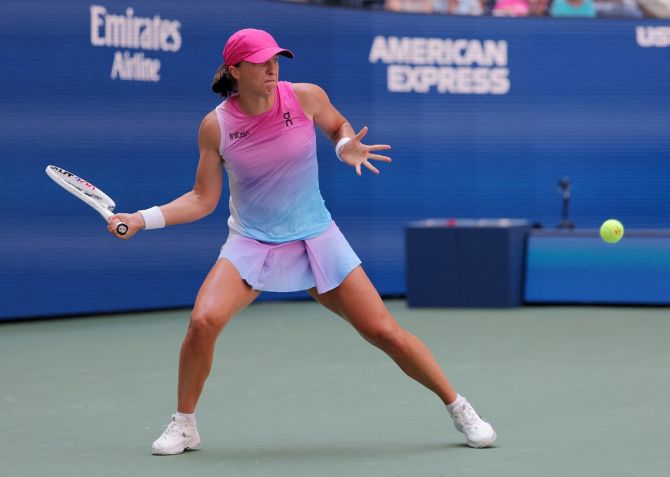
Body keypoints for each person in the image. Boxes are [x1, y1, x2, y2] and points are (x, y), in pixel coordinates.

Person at [108, 28, 497, 455]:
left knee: (384, 331)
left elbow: (337, 127)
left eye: (276, 59)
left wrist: (346, 145)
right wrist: (141, 219)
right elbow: (203, 199)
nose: (272, 67)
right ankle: (184, 424)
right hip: (253, 243)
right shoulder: (215, 126)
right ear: (235, 70)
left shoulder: (306, 96)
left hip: (316, 235)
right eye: (260, 61)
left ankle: (460, 407)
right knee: (203, 322)